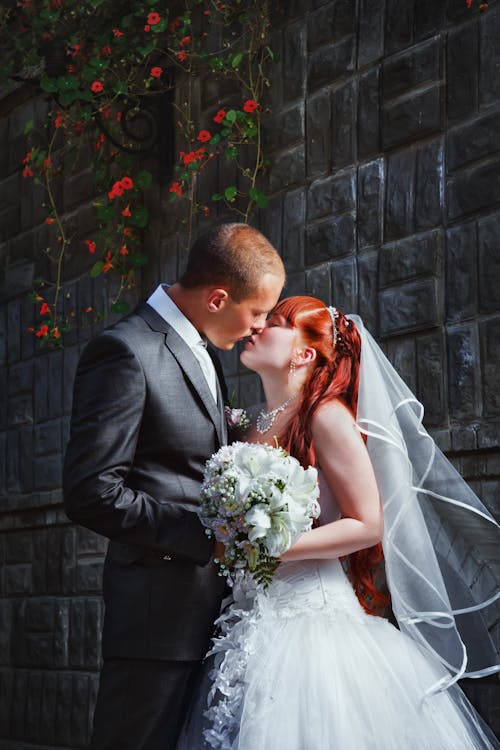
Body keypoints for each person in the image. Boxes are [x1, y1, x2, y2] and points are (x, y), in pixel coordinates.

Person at [177, 295, 500, 749]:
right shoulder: (248, 424)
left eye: (274, 322)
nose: (256, 327)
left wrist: (268, 545)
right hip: (247, 622)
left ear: (304, 353)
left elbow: (367, 523)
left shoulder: (325, 418)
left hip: (312, 626)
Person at [62, 223, 285, 750]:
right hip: (155, 621)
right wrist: (206, 537)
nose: (258, 328)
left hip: (211, 612)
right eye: (257, 312)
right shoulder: (124, 351)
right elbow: (92, 490)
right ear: (218, 298)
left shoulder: (202, 347)